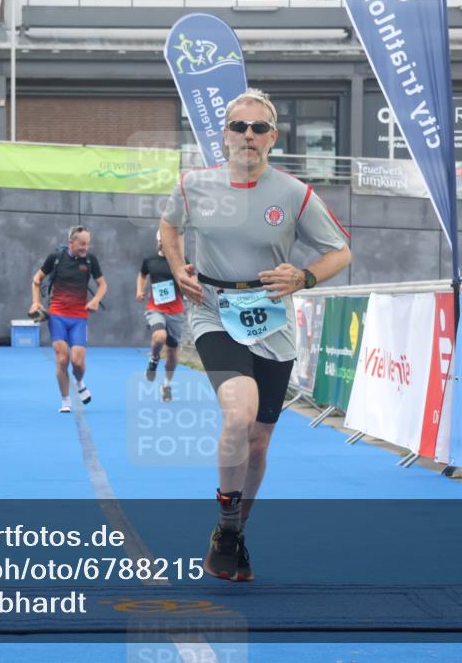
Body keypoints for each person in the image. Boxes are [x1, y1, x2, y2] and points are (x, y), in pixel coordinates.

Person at [159, 89, 351, 582]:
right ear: (224, 135)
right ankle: (225, 526)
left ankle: (234, 533)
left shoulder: (294, 194)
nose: (248, 135)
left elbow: (340, 253)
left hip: (271, 319)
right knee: (238, 415)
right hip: (213, 311)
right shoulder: (192, 185)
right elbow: (168, 227)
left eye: (258, 128)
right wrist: (179, 268)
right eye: (239, 127)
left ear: (273, 138)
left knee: (260, 442)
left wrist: (304, 277)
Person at [28, 225, 107, 413]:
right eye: (82, 244)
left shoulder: (90, 260)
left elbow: (102, 284)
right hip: (57, 315)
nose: (85, 248)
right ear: (71, 242)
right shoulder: (56, 258)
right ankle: (65, 401)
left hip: (79, 317)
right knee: (62, 359)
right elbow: (37, 279)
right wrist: (36, 303)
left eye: (87, 244)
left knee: (78, 363)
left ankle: (79, 382)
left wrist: (95, 300)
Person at [136, 230, 186, 402]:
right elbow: (142, 275)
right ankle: (154, 358)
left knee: (172, 352)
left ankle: (166, 384)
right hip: (156, 308)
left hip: (176, 311)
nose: (161, 243)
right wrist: (140, 290)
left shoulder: (180, 261)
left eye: (165, 241)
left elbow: (190, 279)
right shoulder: (150, 260)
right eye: (160, 241)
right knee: (159, 336)